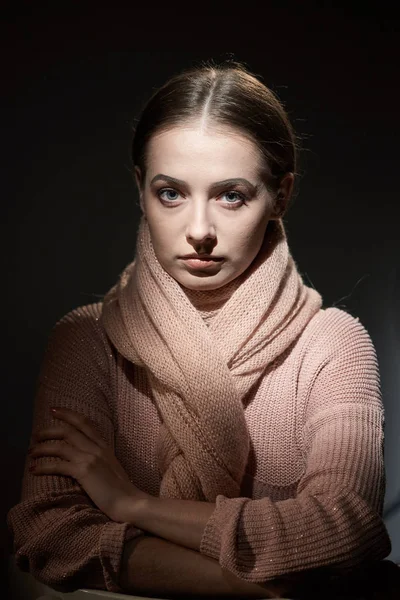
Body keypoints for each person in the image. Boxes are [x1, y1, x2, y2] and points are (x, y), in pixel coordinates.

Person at [7, 60, 396, 599]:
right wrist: (252, 589)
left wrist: (131, 505)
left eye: (230, 195)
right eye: (171, 193)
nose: (198, 231)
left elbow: (345, 529)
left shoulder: (333, 344)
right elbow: (49, 535)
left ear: (280, 196)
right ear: (140, 187)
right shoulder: (85, 342)